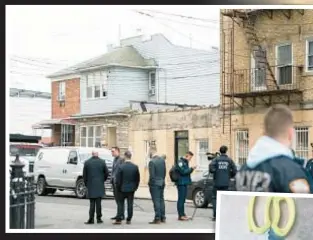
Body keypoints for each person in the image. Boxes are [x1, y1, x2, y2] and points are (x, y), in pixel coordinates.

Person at [236, 104, 312, 193]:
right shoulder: (292, 171)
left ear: (264, 133)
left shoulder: (243, 169)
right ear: (290, 133)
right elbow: (305, 205)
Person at [209, 145, 237, 222]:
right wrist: (229, 175)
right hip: (226, 183)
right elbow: (235, 170)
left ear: (220, 151)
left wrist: (216, 172)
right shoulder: (229, 160)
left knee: (215, 198)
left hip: (217, 182)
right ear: (226, 151)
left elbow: (211, 168)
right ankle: (224, 215)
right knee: (224, 199)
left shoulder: (216, 159)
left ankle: (215, 216)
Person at [113, 151, 140, 225]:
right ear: (130, 157)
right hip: (131, 189)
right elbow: (137, 179)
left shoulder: (121, 167)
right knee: (130, 204)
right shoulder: (135, 167)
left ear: (125, 156)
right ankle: (129, 219)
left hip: (122, 188)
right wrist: (135, 187)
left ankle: (119, 218)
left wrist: (118, 188)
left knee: (120, 203)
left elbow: (118, 179)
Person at [83, 151, 109, 224]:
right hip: (99, 185)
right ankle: (99, 218)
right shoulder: (102, 162)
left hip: (90, 185)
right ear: (98, 154)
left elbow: (84, 175)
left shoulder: (87, 162)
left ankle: (91, 219)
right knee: (98, 203)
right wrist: (102, 180)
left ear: (92, 154)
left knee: (92, 203)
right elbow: (107, 173)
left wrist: (86, 184)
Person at [148, 145, 166, 224]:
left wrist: (150, 184)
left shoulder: (152, 162)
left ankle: (157, 218)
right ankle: (163, 217)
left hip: (155, 184)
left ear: (151, 151)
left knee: (156, 201)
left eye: (149, 151)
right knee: (161, 200)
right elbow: (164, 172)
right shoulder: (162, 160)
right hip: (162, 182)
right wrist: (162, 180)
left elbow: (152, 176)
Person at [175, 151, 196, 221]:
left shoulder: (185, 162)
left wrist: (191, 169)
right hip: (181, 183)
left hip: (184, 183)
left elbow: (186, 171)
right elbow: (183, 172)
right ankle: (180, 215)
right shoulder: (180, 162)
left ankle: (183, 214)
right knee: (181, 199)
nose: (190, 159)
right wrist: (191, 169)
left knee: (183, 199)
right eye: (190, 157)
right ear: (187, 155)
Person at [111, 146, 125, 220]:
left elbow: (122, 171)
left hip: (119, 183)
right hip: (114, 182)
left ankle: (121, 215)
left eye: (113, 151)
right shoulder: (114, 159)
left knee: (120, 200)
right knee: (117, 199)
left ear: (117, 151)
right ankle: (119, 214)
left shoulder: (121, 159)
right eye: (111, 151)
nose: (112, 153)